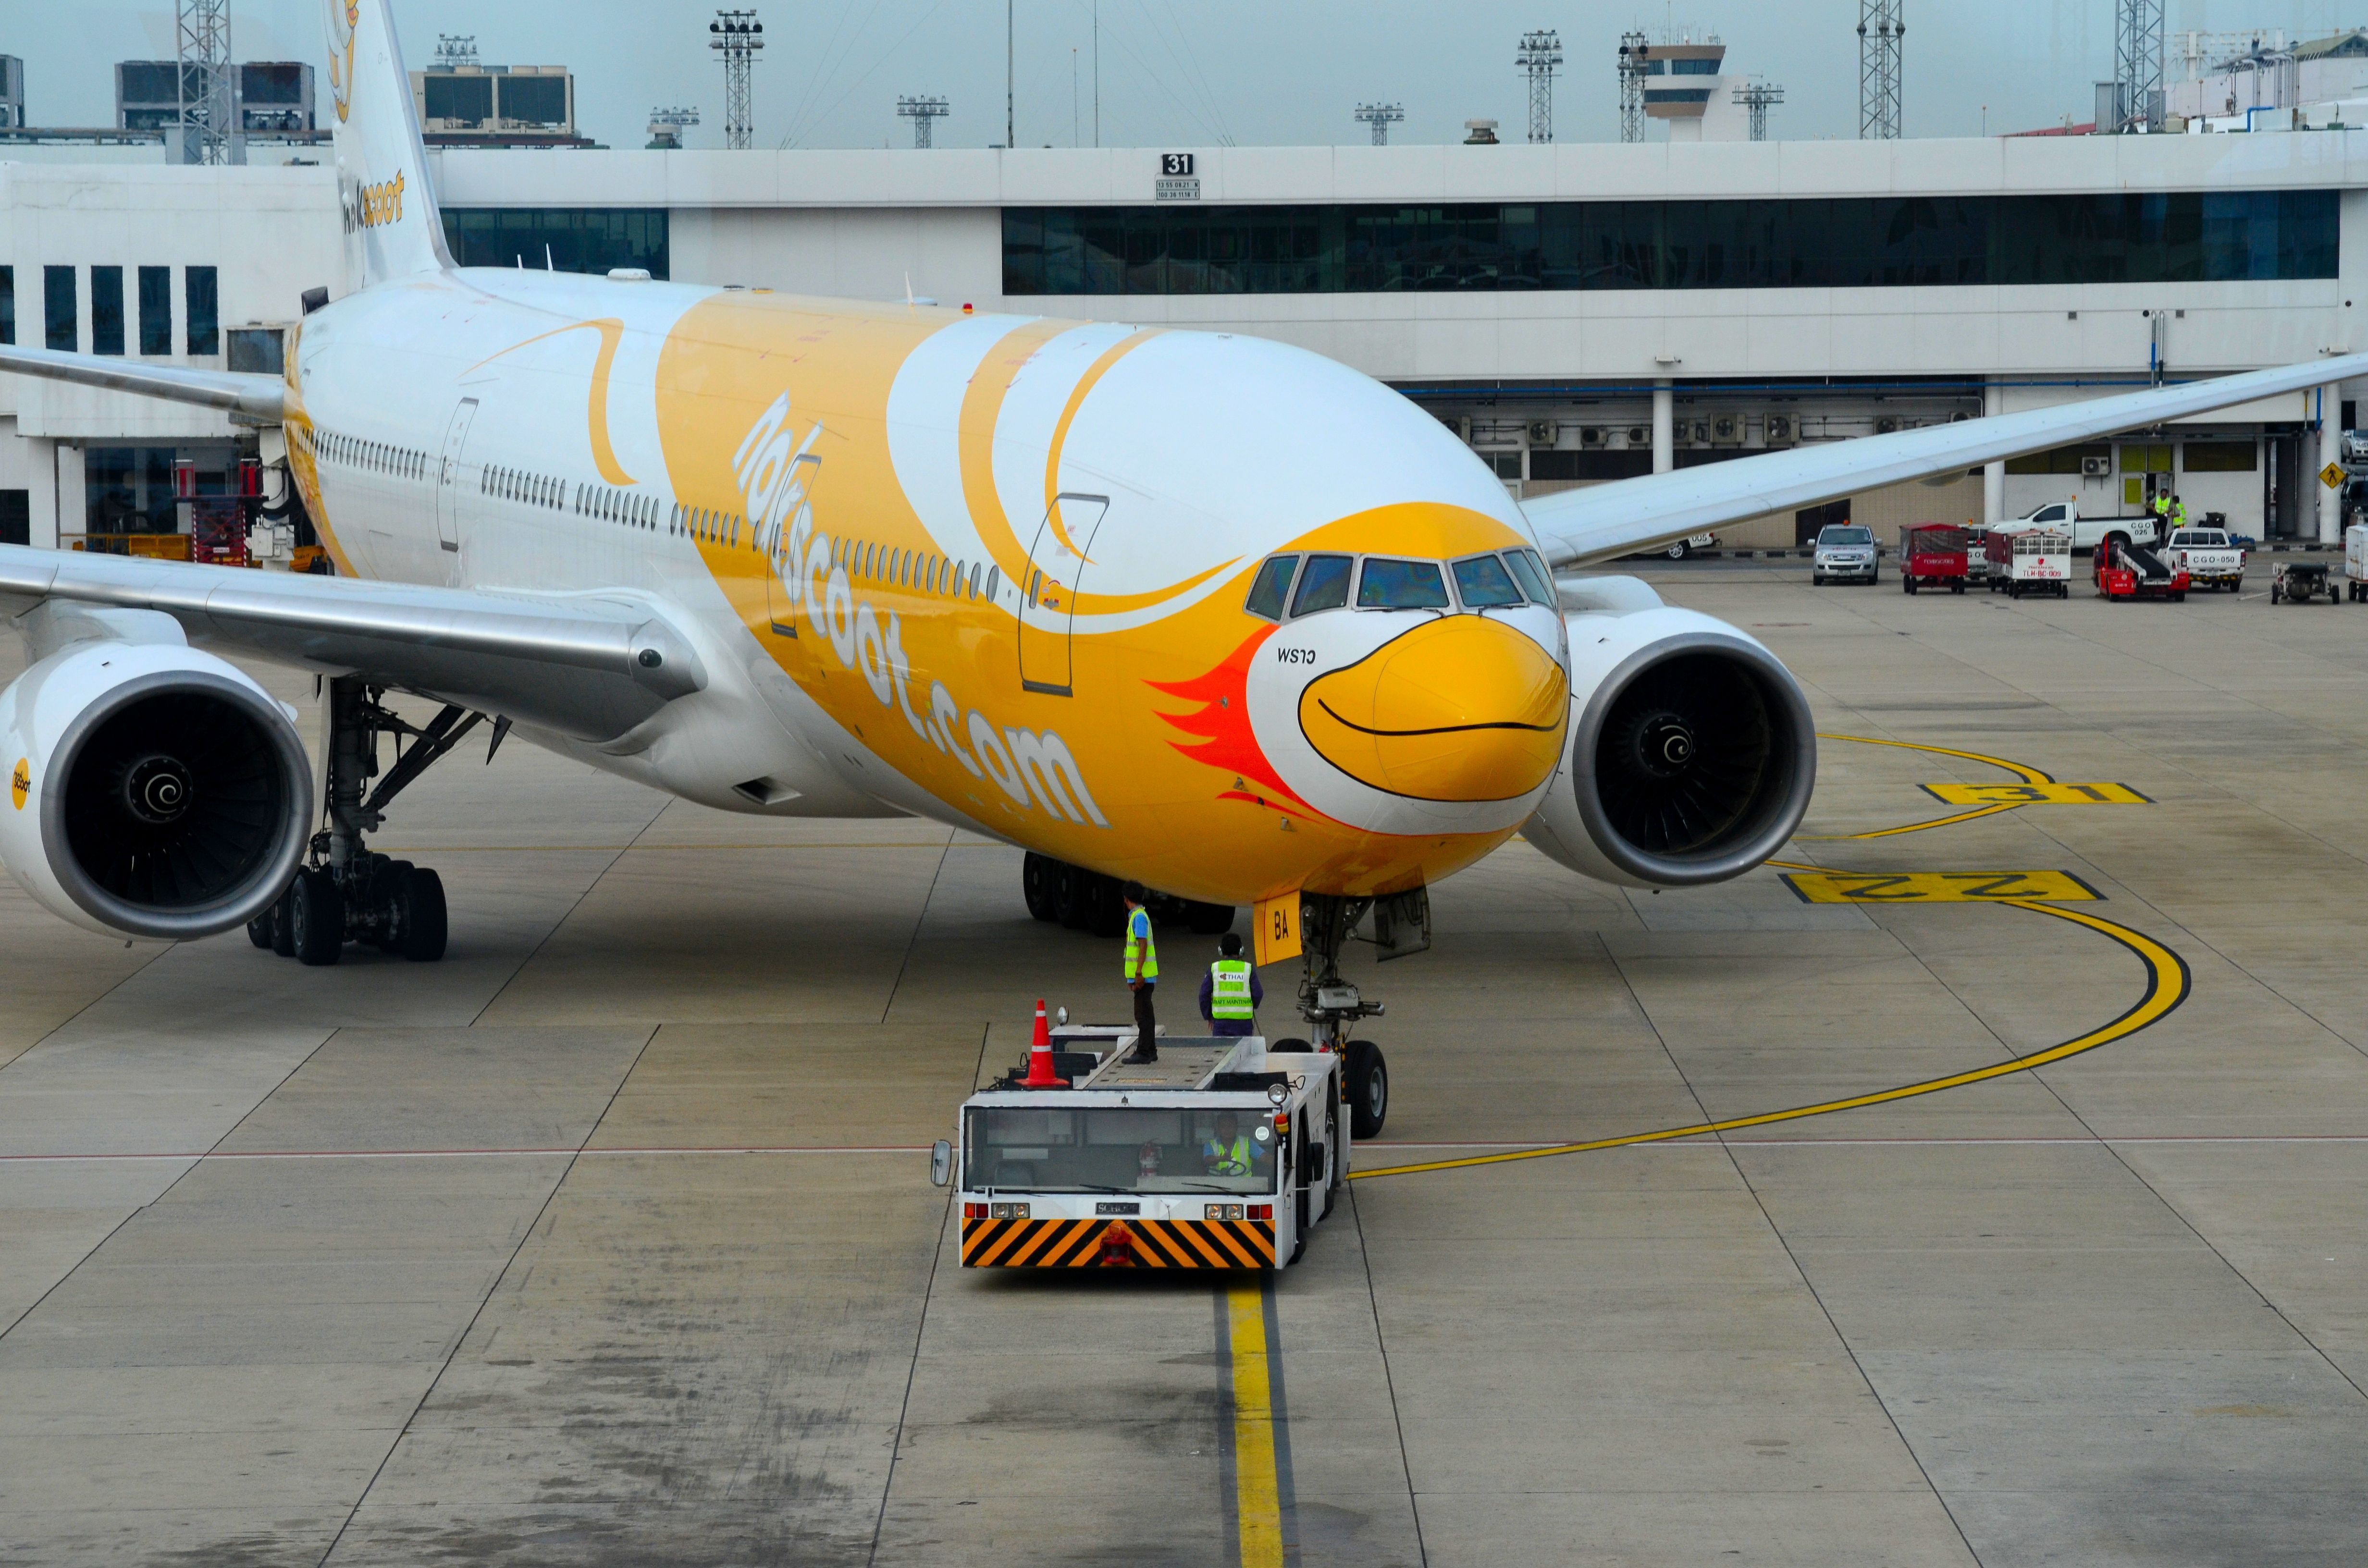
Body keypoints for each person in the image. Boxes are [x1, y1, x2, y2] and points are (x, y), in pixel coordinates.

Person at [1198, 932, 1263, 1037]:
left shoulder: (1214, 968)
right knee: (1244, 1052)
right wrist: (1253, 1005)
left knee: (1221, 1052)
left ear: (1221, 950)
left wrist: (1209, 1016)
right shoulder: (1248, 969)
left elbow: (1204, 995)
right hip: (1244, 1023)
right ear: (1241, 951)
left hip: (1220, 1023)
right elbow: (1258, 994)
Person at [1121, 881, 1158, 1064]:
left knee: (1142, 1016)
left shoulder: (1139, 918)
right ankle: (1150, 1050)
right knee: (1146, 1014)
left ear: (1127, 900)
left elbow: (1142, 945)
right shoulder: (1138, 916)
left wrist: (1138, 974)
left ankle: (1144, 1052)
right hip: (1144, 975)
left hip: (1144, 975)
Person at [1202, 1112, 1253, 1176]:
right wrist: (1220, 1159)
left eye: (1231, 1126)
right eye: (1223, 1126)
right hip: (1216, 1185)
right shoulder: (1210, 1145)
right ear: (1218, 1128)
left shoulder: (1248, 1143)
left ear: (1236, 1127)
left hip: (1245, 1185)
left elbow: (1264, 1157)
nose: (1227, 1130)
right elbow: (1208, 1160)